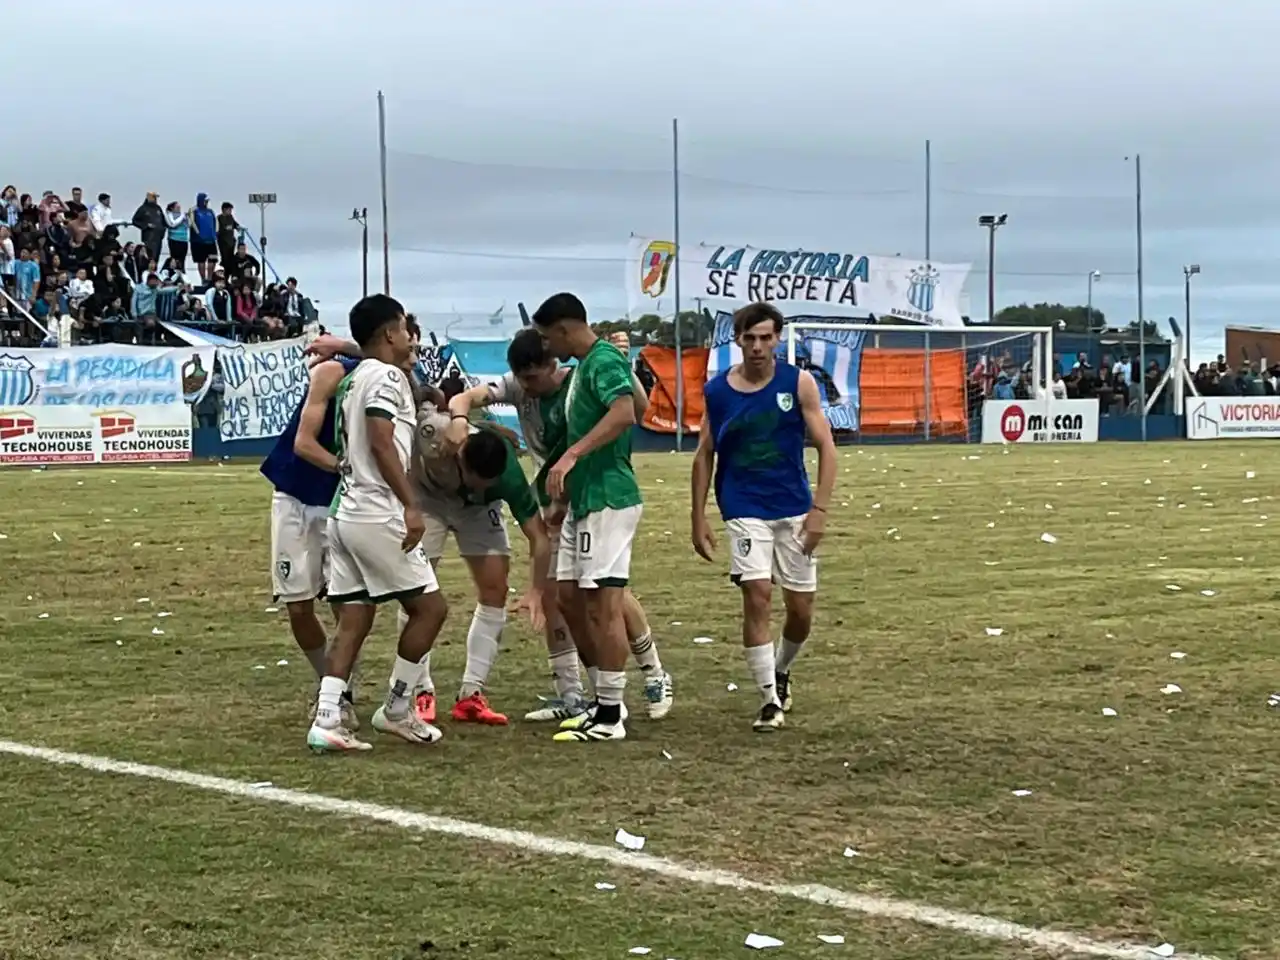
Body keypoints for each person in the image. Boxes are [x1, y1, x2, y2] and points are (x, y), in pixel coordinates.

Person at [445, 327, 674, 724]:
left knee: (609, 591)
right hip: (552, 495)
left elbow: (634, 407)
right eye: (523, 379)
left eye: (534, 378)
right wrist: (461, 420)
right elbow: (464, 396)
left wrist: (625, 365)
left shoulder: (578, 385)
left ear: (554, 364)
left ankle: (653, 671)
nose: (528, 388)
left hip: (588, 492)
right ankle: (574, 694)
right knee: (556, 595)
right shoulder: (519, 385)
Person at [307, 295, 447, 753]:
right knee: (430, 609)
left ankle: (327, 716)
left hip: (344, 510)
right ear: (390, 333)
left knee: (354, 617)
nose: (409, 335)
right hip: (376, 509)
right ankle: (398, 707)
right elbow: (382, 442)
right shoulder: (387, 377)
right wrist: (410, 504)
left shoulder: (353, 378)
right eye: (405, 327)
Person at [690, 302, 836, 731]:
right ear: (737, 340)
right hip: (742, 505)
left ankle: (782, 668)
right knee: (757, 594)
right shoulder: (718, 391)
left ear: (777, 338)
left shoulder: (799, 383)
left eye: (765, 338)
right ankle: (769, 701)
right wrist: (697, 517)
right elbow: (705, 454)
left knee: (801, 610)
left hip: (792, 507)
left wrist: (820, 510)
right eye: (749, 338)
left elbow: (827, 447)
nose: (757, 346)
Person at [531, 292, 643, 743]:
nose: (546, 348)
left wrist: (573, 455)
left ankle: (612, 715)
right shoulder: (584, 368)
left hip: (609, 498)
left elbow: (627, 412)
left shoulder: (601, 362)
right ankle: (603, 700)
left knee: (604, 605)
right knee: (570, 596)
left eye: (546, 337)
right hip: (585, 501)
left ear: (563, 328)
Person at [408, 398, 554, 726]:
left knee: (496, 587)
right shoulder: (433, 435)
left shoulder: (507, 477)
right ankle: (418, 690)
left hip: (475, 513)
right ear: (460, 457)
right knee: (415, 590)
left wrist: (535, 591)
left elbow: (539, 537)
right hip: (428, 502)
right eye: (478, 482)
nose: (482, 488)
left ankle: (471, 694)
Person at [260, 332, 360, 729]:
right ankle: (331, 687)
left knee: (346, 602)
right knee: (297, 603)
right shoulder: (336, 371)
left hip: (340, 502)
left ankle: (338, 694)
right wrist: (349, 468)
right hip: (297, 494)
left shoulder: (394, 379)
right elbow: (303, 444)